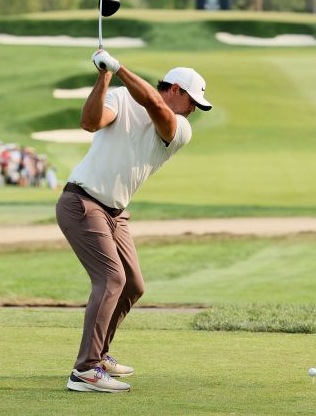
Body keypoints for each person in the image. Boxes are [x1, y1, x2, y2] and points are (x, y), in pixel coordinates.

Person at [57, 49, 212, 394]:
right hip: (82, 201)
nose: (193, 111)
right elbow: (90, 122)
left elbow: (156, 107)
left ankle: (100, 354)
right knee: (112, 278)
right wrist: (104, 76)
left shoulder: (180, 129)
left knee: (133, 285)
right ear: (175, 89)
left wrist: (120, 67)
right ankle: (86, 370)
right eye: (192, 102)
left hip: (116, 212)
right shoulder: (120, 97)